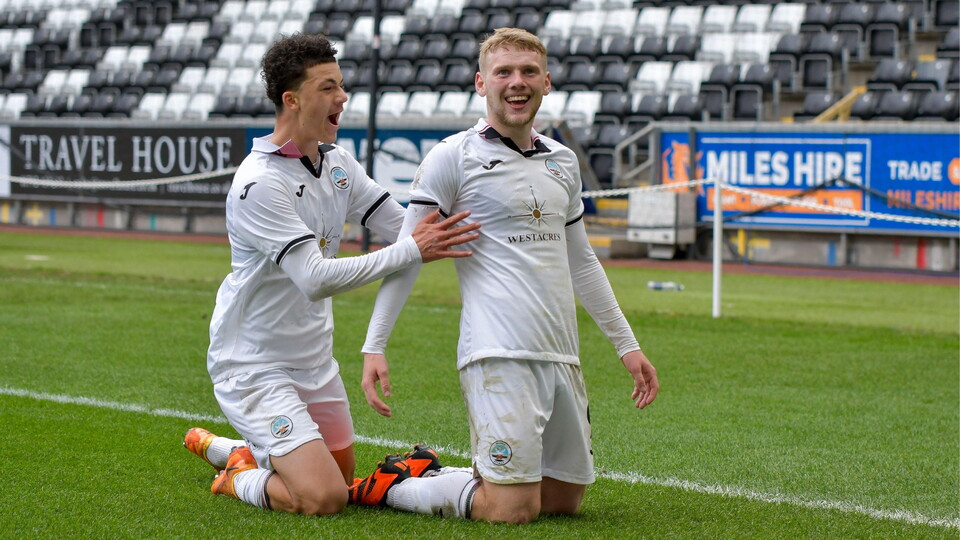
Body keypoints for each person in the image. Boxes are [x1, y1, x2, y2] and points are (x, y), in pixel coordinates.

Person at [351, 28, 660, 523]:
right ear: (481, 83)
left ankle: (431, 471)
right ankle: (395, 486)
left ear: (547, 81)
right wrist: (375, 344)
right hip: (497, 352)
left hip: (561, 352)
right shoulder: (452, 157)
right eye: (504, 72)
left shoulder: (563, 161)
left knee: (561, 502)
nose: (517, 83)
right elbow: (410, 253)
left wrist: (627, 346)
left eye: (528, 72)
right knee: (510, 509)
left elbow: (581, 262)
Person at [180, 32, 479, 517]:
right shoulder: (259, 182)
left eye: (341, 85)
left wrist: (473, 226)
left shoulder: (337, 163)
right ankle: (238, 474)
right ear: (291, 100)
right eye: (328, 87)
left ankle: (241, 450)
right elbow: (316, 278)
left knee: (340, 483)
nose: (342, 98)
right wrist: (412, 249)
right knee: (321, 498)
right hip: (254, 365)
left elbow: (403, 227)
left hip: (315, 360)